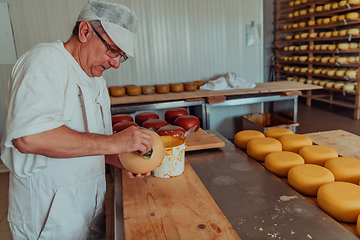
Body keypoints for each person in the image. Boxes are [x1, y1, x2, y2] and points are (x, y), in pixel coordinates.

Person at [0, 1, 151, 239]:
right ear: (84, 31)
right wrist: (116, 143)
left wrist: (120, 158)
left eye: (122, 56)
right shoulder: (45, 62)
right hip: (49, 219)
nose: (116, 63)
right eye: (113, 50)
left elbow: (89, 144)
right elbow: (29, 138)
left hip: (88, 210)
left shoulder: (96, 80)